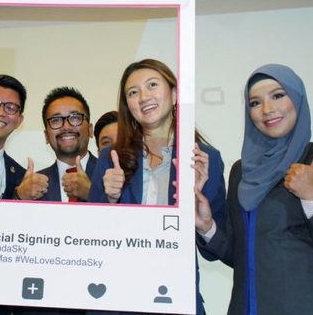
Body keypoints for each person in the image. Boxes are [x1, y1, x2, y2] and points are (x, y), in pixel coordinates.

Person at [195, 64, 313, 314]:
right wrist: (207, 227)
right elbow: (242, 257)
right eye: (255, 103)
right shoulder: (241, 173)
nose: (267, 110)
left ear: (298, 100)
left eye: (278, 95)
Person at [88, 59, 226, 315]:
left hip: (176, 297)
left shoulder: (204, 158)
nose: (143, 97)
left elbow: (220, 248)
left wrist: (205, 225)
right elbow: (90, 237)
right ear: (127, 106)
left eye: (152, 85)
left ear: (174, 94)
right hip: (115, 297)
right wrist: (110, 199)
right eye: (133, 92)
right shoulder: (110, 158)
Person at [16, 87, 96, 203]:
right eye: (56, 120)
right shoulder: (29, 187)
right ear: (46, 136)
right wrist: (20, 197)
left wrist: (92, 193)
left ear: (90, 130)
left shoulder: (113, 176)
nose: (66, 127)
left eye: (74, 118)